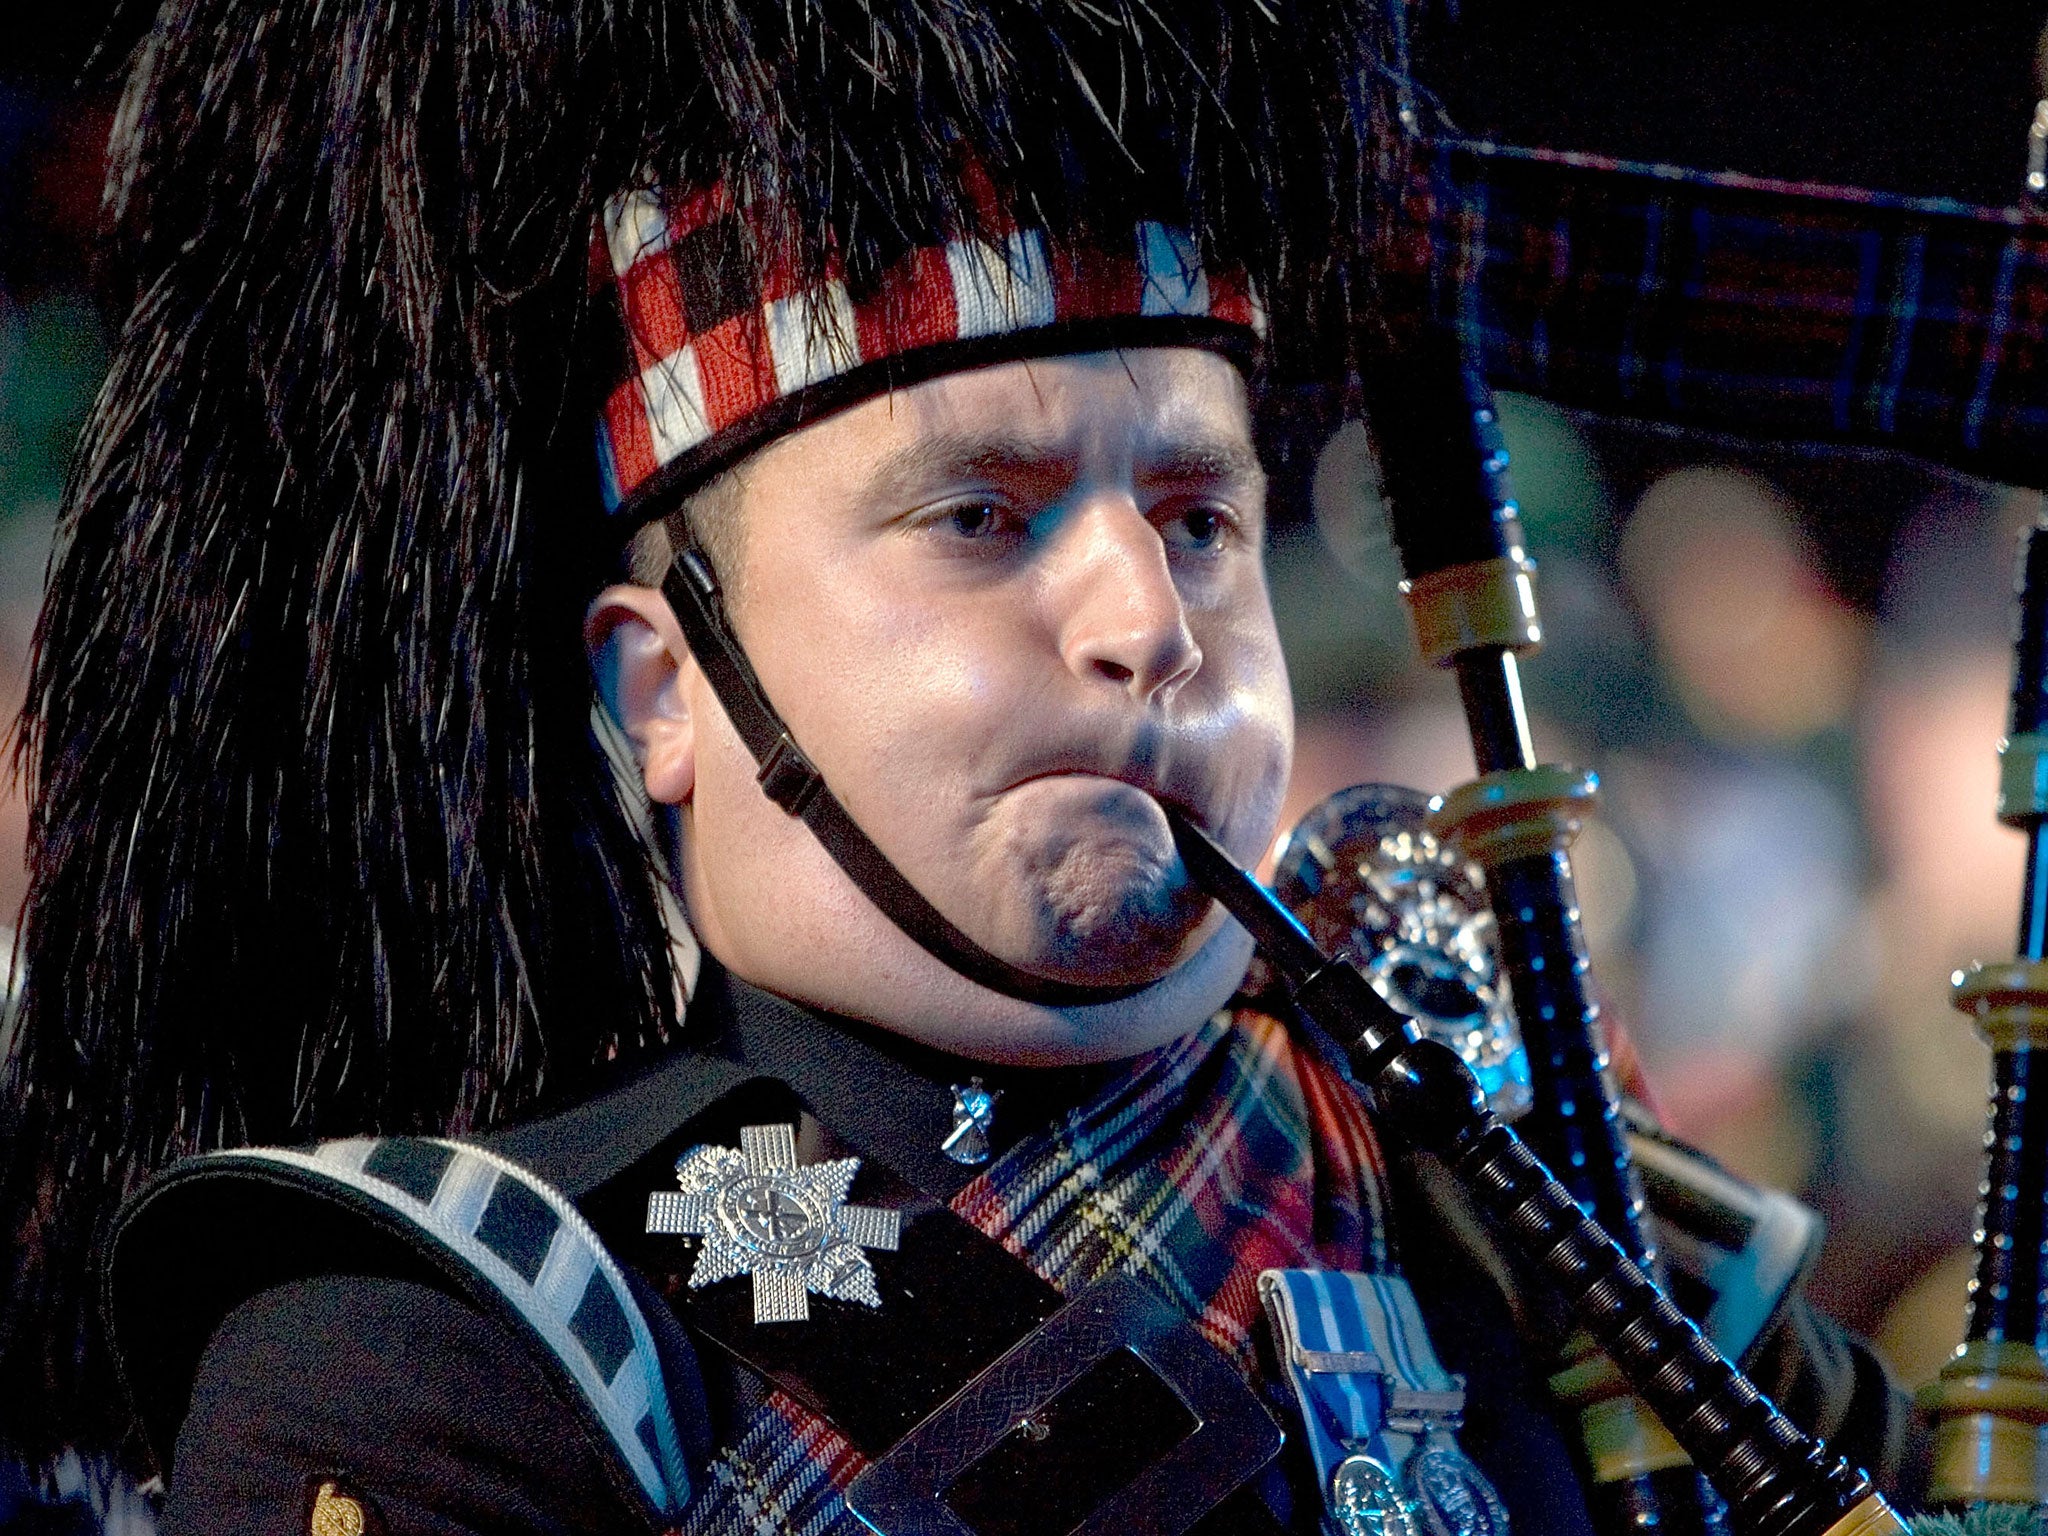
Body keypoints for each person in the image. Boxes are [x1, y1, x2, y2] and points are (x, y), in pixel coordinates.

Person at [0, 2, 1907, 1534]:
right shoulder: (440, 1358)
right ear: (665, 690)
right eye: (982, 515)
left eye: (1200, 516)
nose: (1141, 618)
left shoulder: (1551, 1221)